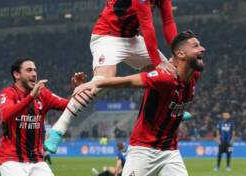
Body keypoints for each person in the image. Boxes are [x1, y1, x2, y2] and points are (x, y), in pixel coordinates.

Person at [45, 0, 179, 153]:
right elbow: (147, 25)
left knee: (174, 74)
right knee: (102, 82)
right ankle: (58, 129)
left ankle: (164, 111)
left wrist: (176, 53)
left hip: (132, 38)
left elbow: (168, 21)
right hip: (108, 35)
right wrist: (157, 63)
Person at [74, 30, 205, 176]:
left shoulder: (194, 75)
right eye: (196, 46)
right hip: (144, 150)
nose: (202, 49)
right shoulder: (164, 78)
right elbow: (128, 81)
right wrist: (95, 83)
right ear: (181, 54)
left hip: (170, 151)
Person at [0, 57, 89, 176]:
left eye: (35, 70)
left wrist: (78, 89)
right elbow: (6, 115)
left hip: (37, 160)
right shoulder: (8, 93)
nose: (34, 74)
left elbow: (70, 107)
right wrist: (31, 96)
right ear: (17, 74)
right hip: (12, 160)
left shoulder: (43, 93)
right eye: (29, 70)